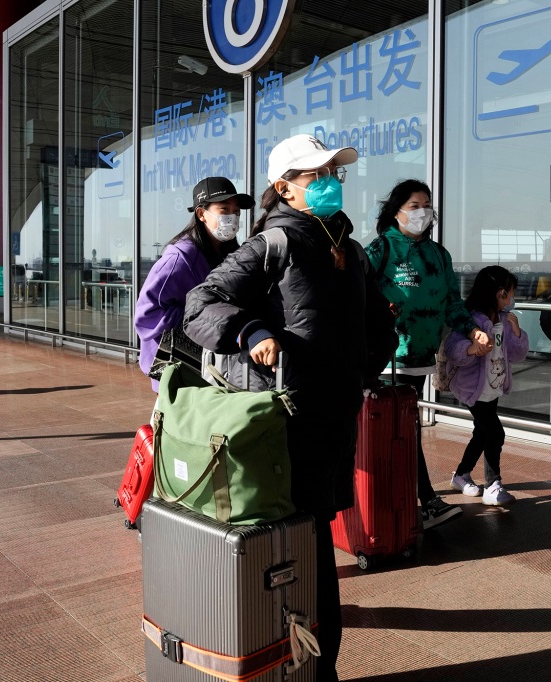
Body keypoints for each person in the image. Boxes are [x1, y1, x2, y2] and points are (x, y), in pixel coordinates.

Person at [183, 134, 364, 682]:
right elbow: (201, 304)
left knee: (317, 529)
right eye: (317, 174)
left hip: (336, 416)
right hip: (287, 421)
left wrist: (368, 359)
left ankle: (310, 661)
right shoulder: (273, 245)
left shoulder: (349, 248)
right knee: (300, 540)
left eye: (335, 170)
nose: (331, 180)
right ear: (284, 187)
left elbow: (369, 321)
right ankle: (307, 664)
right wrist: (251, 329)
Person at [364, 179, 492, 530]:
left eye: (427, 204)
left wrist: (471, 329)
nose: (422, 211)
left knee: (405, 429)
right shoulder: (382, 248)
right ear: (396, 210)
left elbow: (452, 302)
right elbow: (356, 291)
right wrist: (378, 312)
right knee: (405, 429)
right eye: (415, 204)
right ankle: (424, 500)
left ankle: (409, 500)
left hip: (422, 358)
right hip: (390, 357)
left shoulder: (438, 254)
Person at [133, 176, 253, 391]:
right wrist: (198, 319)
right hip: (181, 367)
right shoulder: (179, 259)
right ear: (201, 214)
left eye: (236, 211)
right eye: (224, 209)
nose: (232, 217)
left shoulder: (232, 253)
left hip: (216, 365)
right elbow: (147, 314)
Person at [443, 266, 529, 505]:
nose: (512, 299)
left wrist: (516, 331)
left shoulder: (503, 320)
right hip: (474, 389)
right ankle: (493, 485)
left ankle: (461, 475)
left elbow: (516, 354)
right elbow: (453, 349)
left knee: (481, 433)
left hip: (493, 387)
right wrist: (471, 348)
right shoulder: (472, 320)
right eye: (510, 293)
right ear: (500, 293)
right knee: (495, 433)